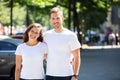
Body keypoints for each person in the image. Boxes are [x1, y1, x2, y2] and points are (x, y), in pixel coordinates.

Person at [44, 7, 81, 80]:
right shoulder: (46, 35)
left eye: (57, 18)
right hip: (49, 75)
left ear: (62, 18)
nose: (55, 21)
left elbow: (77, 57)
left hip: (66, 75)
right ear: (50, 20)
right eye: (53, 18)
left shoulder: (71, 35)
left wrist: (75, 75)